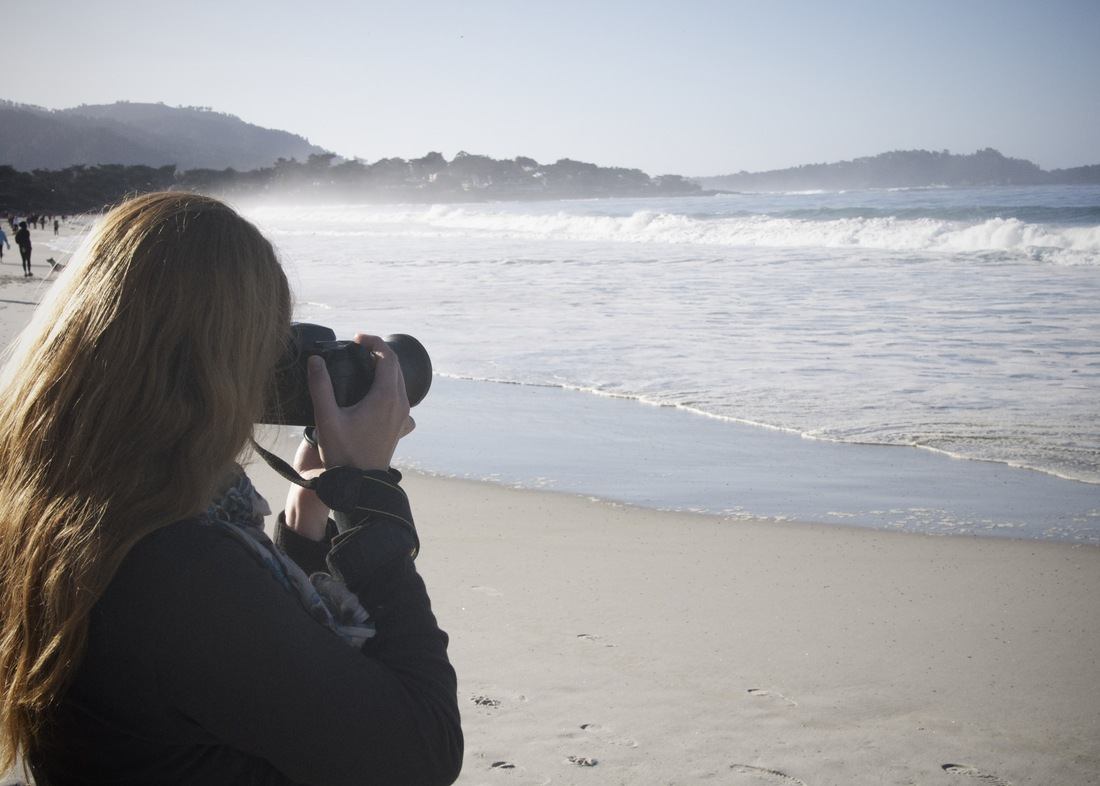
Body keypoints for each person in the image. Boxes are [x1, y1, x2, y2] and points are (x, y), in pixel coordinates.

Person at [0, 193, 462, 784]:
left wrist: (304, 526)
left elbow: (270, 673)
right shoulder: (172, 566)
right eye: (264, 341)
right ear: (215, 360)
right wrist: (371, 496)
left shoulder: (68, 504)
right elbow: (421, 750)